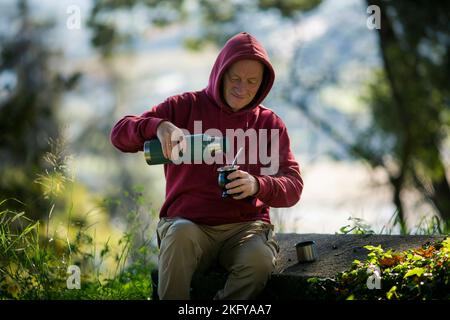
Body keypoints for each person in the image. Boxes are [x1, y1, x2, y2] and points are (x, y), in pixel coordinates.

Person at [110, 32, 303, 300]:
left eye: (252, 81)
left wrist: (258, 184)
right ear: (220, 73)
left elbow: (293, 186)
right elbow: (119, 134)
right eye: (235, 78)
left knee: (259, 260)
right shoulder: (184, 107)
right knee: (179, 234)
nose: (242, 88)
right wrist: (157, 125)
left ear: (263, 84)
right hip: (188, 224)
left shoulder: (270, 124)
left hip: (244, 228)